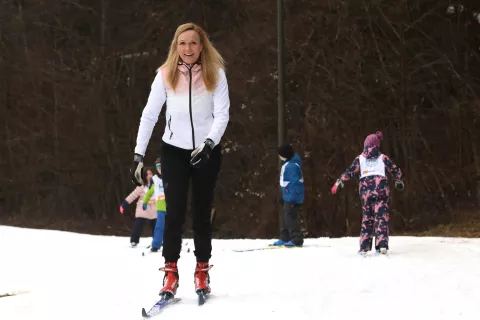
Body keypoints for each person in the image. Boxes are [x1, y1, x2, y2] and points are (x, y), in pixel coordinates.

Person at [130, 22, 229, 300]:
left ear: (202, 46)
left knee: (201, 212)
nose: (188, 49)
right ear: (176, 46)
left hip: (206, 151)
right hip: (174, 151)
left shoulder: (216, 74)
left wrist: (209, 143)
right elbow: (149, 115)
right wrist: (138, 155)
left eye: (193, 43)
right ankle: (170, 271)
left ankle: (201, 270)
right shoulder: (165, 75)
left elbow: (222, 114)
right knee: (173, 212)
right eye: (182, 43)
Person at [330, 131, 404, 255]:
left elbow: (350, 171)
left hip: (365, 192)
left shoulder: (360, 159)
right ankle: (382, 245)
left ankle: (364, 246)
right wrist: (398, 180)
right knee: (381, 217)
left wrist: (339, 182)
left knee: (367, 218)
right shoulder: (383, 158)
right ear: (377, 145)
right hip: (381, 191)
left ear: (365, 145)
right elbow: (395, 169)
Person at [272, 143, 305, 247]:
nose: (279, 156)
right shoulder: (289, 163)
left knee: (290, 217)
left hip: (292, 197)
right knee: (286, 217)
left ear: (285, 155)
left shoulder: (291, 166)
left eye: (280, 154)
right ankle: (284, 237)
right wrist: (284, 196)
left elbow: (295, 183)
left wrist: (291, 198)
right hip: (288, 195)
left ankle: (297, 239)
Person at [120, 167, 156, 247]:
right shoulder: (141, 186)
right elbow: (133, 195)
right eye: (147, 174)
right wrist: (124, 204)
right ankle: (134, 241)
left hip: (154, 209)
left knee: (156, 226)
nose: (149, 176)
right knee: (138, 225)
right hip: (142, 209)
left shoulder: (157, 185)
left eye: (150, 174)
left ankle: (156, 241)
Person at [142, 158, 167, 252]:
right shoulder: (155, 179)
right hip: (160, 207)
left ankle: (172, 243)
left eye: (161, 166)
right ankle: (156, 244)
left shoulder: (170, 176)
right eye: (158, 167)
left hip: (171, 206)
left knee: (172, 226)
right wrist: (144, 202)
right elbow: (150, 192)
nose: (159, 169)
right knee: (159, 226)